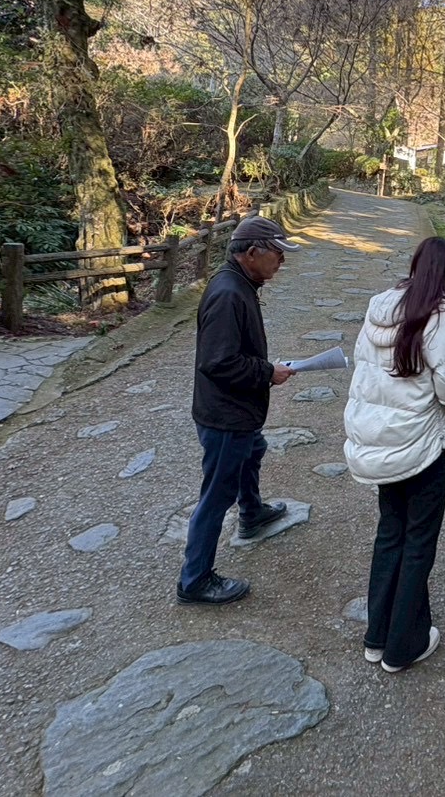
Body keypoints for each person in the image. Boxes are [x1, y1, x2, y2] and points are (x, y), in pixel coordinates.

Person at [345, 237, 445, 672]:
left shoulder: (380, 307)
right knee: (418, 541)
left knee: (391, 534)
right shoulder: (443, 317)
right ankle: (404, 646)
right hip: (423, 446)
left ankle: (376, 636)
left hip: (384, 444)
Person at [177, 216, 299, 605]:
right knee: (216, 494)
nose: (282, 262)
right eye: (278, 254)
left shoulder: (241, 283)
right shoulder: (229, 292)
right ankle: (194, 580)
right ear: (252, 253)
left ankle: (253, 511)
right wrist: (267, 372)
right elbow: (218, 362)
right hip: (225, 414)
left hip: (236, 411)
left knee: (253, 452)